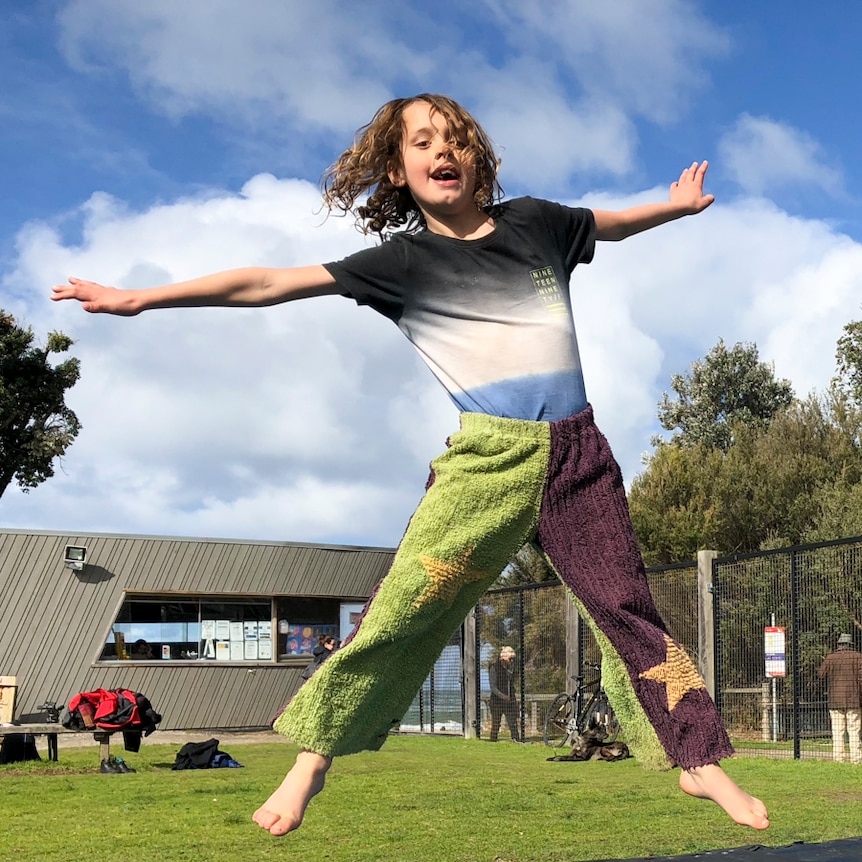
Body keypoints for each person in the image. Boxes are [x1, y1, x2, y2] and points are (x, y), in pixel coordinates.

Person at [52, 93, 769, 836]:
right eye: (422, 142)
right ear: (397, 169)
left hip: (578, 455)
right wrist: (142, 298)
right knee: (402, 610)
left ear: (476, 155)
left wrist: (674, 209)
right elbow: (269, 284)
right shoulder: (403, 263)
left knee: (626, 608)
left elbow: (609, 225)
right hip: (487, 461)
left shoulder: (538, 224)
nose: (441, 150)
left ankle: (698, 762)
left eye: (454, 137)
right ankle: (312, 761)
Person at [817, 633, 862, 763]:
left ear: (839, 644)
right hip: (854, 700)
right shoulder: (858, 657)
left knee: (838, 731)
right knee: (854, 731)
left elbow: (821, 674)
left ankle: (838, 759)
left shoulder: (831, 657)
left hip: (835, 700)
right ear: (850, 644)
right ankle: (856, 759)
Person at [488, 646, 520, 742]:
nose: (511, 660)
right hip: (497, 701)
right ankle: (493, 741)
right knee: (496, 723)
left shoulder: (511, 668)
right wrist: (503, 696)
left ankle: (516, 740)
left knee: (512, 722)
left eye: (512, 658)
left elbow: (512, 680)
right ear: (503, 657)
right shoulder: (494, 667)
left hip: (509, 700)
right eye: (510, 658)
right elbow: (493, 687)